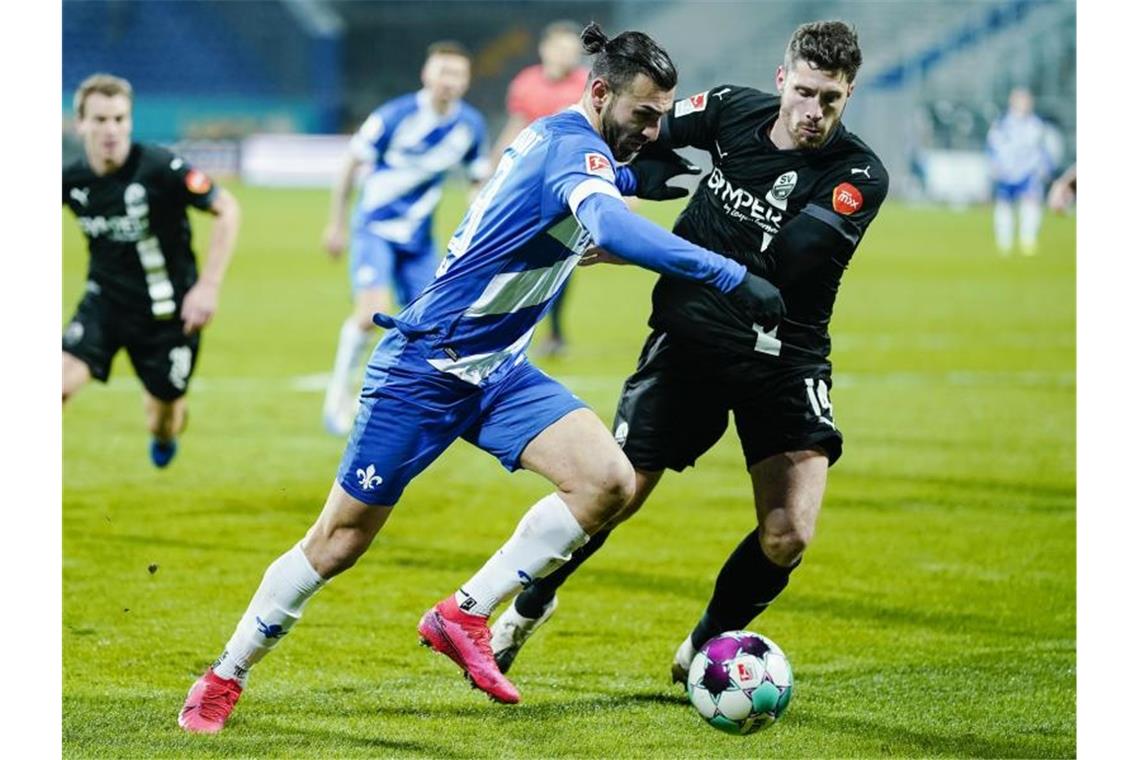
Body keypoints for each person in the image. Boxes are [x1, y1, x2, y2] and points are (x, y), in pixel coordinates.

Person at [178, 23, 785, 733]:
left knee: (608, 483)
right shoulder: (569, 146)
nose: (652, 131)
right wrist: (729, 274)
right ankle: (224, 674)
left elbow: (589, 186)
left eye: (660, 117)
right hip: (425, 367)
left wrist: (642, 174)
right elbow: (612, 230)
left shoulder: (574, 143)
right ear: (598, 93)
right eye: (643, 116)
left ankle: (464, 611)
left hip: (497, 372)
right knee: (339, 540)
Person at [490, 20, 890, 685]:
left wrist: (639, 244)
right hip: (691, 340)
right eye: (807, 92)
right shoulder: (732, 109)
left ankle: (706, 647)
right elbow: (646, 134)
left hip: (784, 355)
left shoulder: (856, 175)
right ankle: (531, 604)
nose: (815, 112)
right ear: (782, 78)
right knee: (613, 493)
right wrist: (624, 180)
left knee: (788, 536)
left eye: (832, 99)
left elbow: (783, 265)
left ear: (848, 96)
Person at [62, 73, 240, 468]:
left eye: (120, 119)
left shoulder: (161, 167)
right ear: (81, 124)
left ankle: (166, 431)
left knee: (163, 422)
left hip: (168, 315)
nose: (111, 129)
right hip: (104, 304)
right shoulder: (71, 179)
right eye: (101, 119)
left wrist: (208, 286)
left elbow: (227, 209)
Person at [321, 41, 490, 435]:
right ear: (426, 74)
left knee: (430, 326)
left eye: (458, 74)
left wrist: (480, 223)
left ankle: (410, 406)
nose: (449, 81)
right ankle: (338, 397)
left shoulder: (470, 125)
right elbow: (351, 163)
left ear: (466, 81)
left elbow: (477, 180)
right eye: (442, 72)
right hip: (375, 228)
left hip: (419, 238)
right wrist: (337, 223)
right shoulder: (395, 116)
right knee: (368, 315)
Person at [489, 20, 591, 358]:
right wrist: (491, 169)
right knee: (515, 254)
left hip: (569, 187)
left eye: (573, 51)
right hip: (529, 184)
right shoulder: (526, 83)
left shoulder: (588, 85)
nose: (569, 56)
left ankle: (552, 330)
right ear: (545, 49)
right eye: (562, 49)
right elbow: (517, 125)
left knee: (559, 258)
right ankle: (515, 326)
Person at [985, 88, 1055, 256]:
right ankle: (1004, 242)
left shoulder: (1036, 124)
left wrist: (1045, 168)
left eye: (1027, 100)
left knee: (1031, 205)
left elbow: (1043, 148)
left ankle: (1028, 240)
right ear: (1012, 101)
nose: (1025, 104)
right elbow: (992, 146)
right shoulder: (1002, 123)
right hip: (1006, 172)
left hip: (1028, 172)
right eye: (1021, 100)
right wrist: (994, 165)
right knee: (1004, 206)